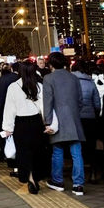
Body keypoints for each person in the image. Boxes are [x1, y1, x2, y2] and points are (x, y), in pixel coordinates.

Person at [1, 60, 49, 194]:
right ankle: (35, 177)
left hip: (20, 124)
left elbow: (9, 109)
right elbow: (43, 107)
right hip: (36, 123)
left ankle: (30, 178)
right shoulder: (39, 86)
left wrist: (8, 128)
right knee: (37, 152)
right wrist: (47, 123)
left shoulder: (13, 87)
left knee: (24, 153)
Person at [43, 52, 86, 196]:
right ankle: (78, 185)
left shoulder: (48, 78)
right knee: (76, 153)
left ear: (51, 64)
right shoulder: (74, 78)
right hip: (74, 120)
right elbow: (80, 101)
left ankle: (57, 181)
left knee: (57, 151)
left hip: (58, 121)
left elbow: (47, 102)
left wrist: (48, 122)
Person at [72, 60, 102, 183]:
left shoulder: (71, 83)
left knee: (76, 146)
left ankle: (79, 174)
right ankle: (93, 172)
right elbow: (97, 104)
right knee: (91, 146)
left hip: (76, 118)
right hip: (90, 119)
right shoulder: (91, 83)